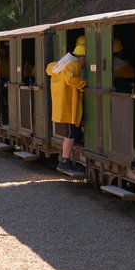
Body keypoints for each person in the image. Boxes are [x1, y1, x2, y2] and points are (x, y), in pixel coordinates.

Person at [46, 36, 86, 172]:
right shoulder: (74, 64)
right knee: (70, 133)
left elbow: (49, 68)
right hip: (69, 104)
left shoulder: (61, 66)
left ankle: (66, 158)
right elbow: (70, 79)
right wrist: (82, 84)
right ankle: (64, 161)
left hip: (62, 104)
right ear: (83, 57)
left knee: (73, 131)